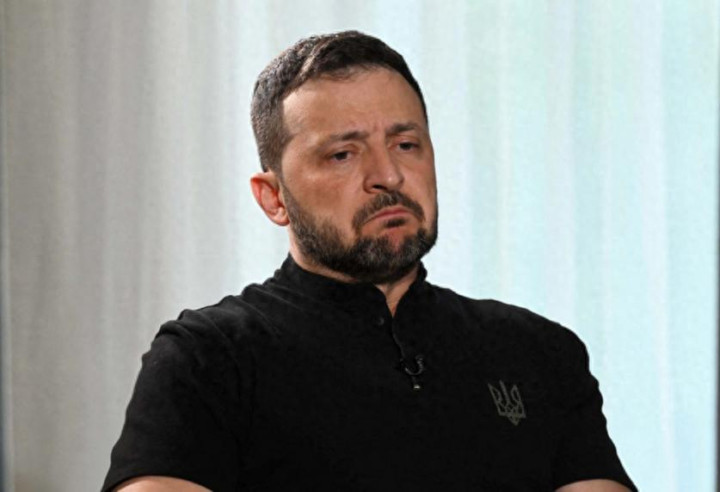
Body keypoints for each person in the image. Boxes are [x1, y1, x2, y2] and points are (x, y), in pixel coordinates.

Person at [103, 31, 636, 492]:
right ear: (273, 197)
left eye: (406, 145)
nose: (388, 175)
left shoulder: (541, 354)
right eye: (343, 154)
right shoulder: (207, 359)